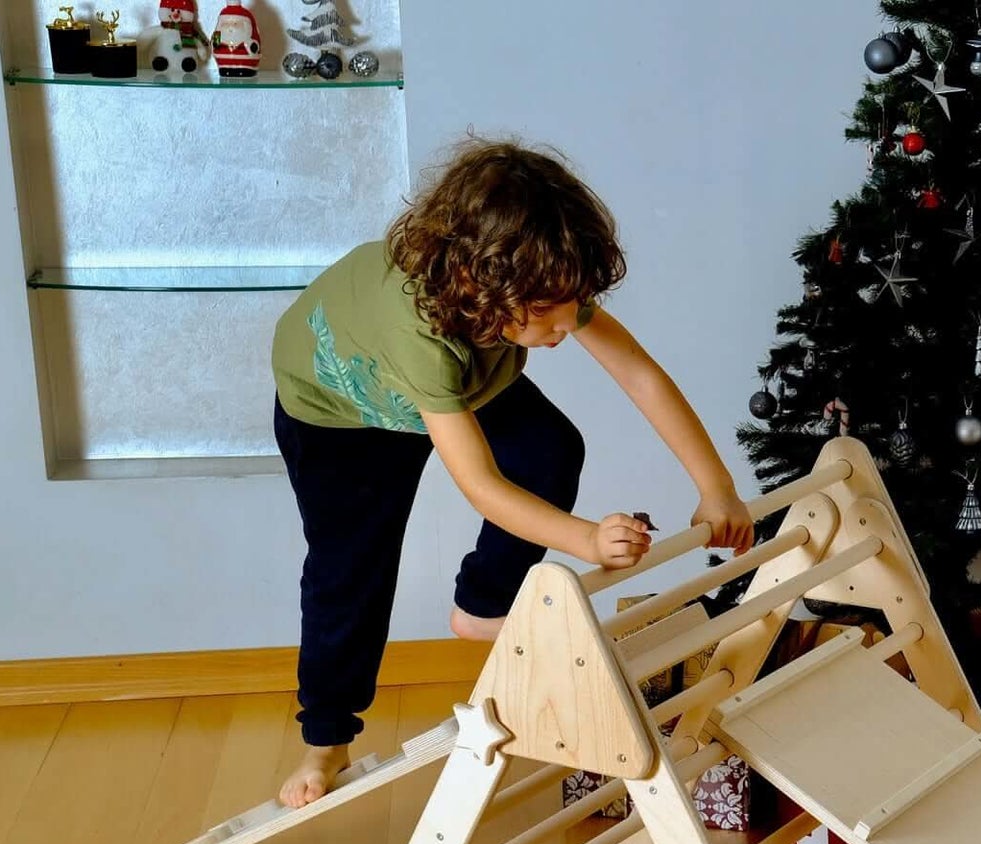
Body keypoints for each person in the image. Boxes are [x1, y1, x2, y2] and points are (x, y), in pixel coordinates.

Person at [269, 138, 752, 809]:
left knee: (548, 448)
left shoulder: (533, 284)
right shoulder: (422, 335)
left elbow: (638, 374)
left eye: (574, 304)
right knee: (350, 567)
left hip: (458, 373)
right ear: (481, 284)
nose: (566, 325)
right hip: (341, 409)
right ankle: (326, 739)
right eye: (550, 311)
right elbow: (482, 485)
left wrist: (715, 485)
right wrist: (586, 539)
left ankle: (482, 606)